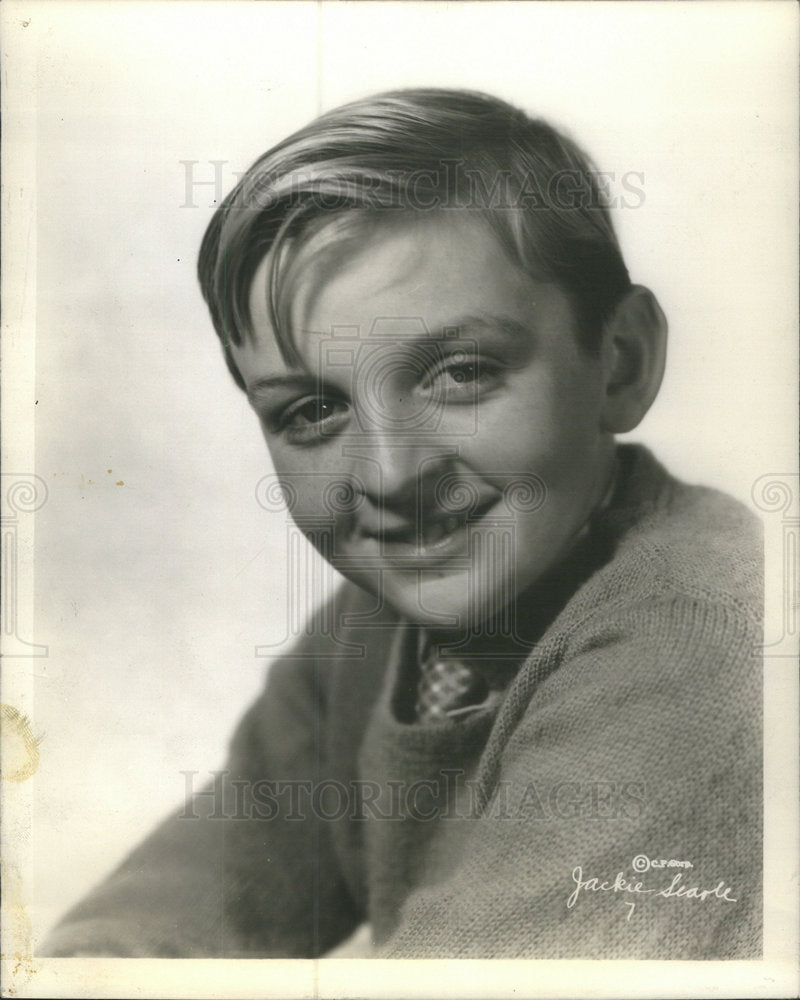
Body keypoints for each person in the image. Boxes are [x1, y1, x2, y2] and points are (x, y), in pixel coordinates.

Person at [43, 89, 762, 960]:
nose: (391, 476)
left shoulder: (703, 633)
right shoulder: (375, 630)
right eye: (312, 410)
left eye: (461, 373)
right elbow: (176, 908)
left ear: (621, 363)